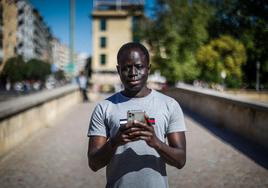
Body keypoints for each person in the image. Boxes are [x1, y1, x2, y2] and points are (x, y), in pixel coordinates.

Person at [87, 42, 186, 188]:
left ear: (148, 69)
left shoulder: (170, 105)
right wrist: (115, 142)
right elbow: (93, 164)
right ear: (118, 70)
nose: (133, 72)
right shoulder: (104, 108)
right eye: (126, 67)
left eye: (139, 66)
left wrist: (156, 142)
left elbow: (180, 160)